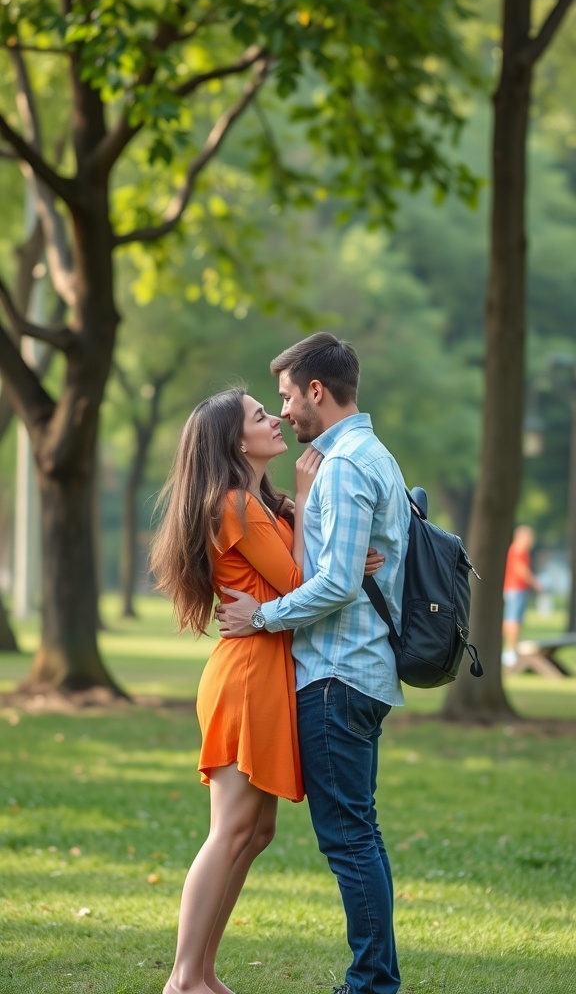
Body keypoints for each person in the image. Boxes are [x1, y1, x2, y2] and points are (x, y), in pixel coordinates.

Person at [150, 386, 383, 994]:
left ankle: (202, 972)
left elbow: (302, 577)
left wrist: (344, 557)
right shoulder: (237, 505)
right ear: (235, 441)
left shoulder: (259, 503)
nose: (275, 418)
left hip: (266, 669)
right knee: (230, 830)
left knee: (256, 832)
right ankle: (182, 980)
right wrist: (308, 504)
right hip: (248, 674)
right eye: (260, 415)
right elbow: (303, 579)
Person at [217, 333, 410, 994]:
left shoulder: (348, 464)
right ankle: (374, 978)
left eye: (287, 397)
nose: (285, 411)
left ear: (317, 392)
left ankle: (371, 984)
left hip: (337, 674)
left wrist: (259, 617)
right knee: (359, 834)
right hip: (355, 670)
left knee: (350, 839)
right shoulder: (360, 457)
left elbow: (335, 584)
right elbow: (341, 569)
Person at [502, 524, 542, 668]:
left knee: (513, 619)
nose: (532, 540)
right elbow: (521, 570)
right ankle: (510, 651)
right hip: (515, 589)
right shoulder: (519, 550)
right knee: (513, 620)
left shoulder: (518, 550)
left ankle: (511, 649)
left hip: (514, 589)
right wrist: (535, 583)